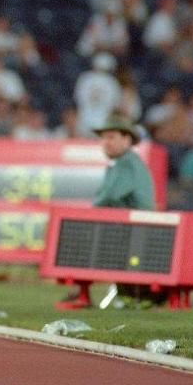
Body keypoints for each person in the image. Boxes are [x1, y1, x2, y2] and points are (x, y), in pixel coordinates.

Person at [61, 114, 156, 309]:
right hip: (128, 226)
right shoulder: (121, 163)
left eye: (111, 137)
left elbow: (111, 195)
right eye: (103, 137)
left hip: (135, 229)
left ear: (127, 139)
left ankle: (83, 294)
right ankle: (84, 292)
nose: (106, 142)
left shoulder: (127, 162)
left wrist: (88, 213)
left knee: (77, 234)